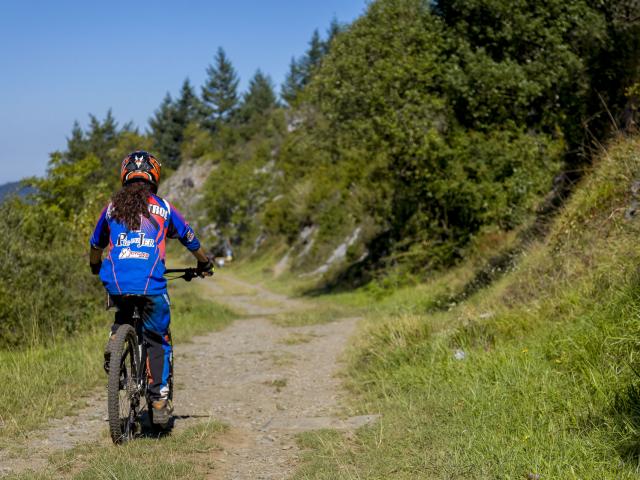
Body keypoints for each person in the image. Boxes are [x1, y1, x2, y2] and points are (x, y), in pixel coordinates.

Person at [88, 150, 213, 425]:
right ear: (154, 178)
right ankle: (158, 402)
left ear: (125, 177)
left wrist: (95, 266)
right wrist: (204, 263)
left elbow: (95, 244)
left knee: (124, 305)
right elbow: (190, 239)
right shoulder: (164, 208)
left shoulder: (111, 208)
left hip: (117, 282)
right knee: (158, 337)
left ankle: (115, 338)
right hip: (151, 284)